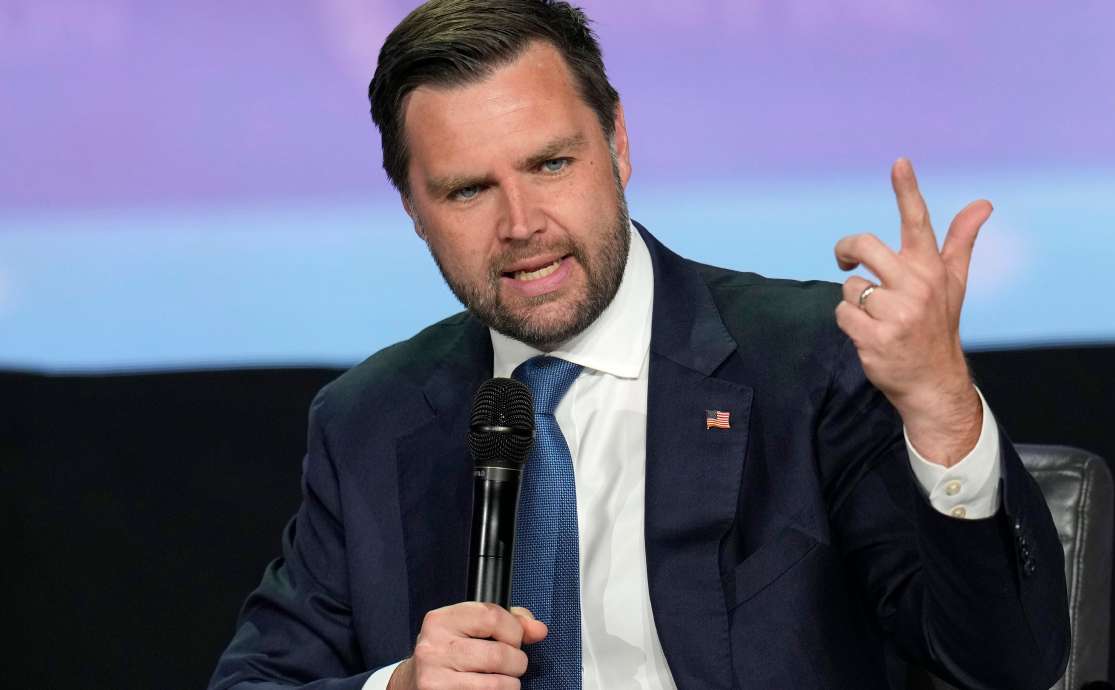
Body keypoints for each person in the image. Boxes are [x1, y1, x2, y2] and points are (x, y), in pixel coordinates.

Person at [209, 1, 1070, 689]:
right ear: (411, 208)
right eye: (469, 190)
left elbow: (1004, 666)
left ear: (617, 144)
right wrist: (397, 689)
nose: (521, 226)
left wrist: (942, 407)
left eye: (551, 165)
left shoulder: (806, 361)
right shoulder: (371, 418)